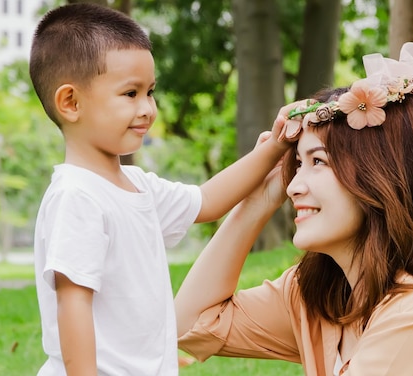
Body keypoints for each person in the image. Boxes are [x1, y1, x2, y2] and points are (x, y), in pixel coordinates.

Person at [175, 42, 413, 375]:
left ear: (384, 177)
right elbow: (188, 325)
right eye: (297, 164)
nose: (295, 186)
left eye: (319, 162)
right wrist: (258, 199)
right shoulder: (322, 294)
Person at [29, 3, 302, 375]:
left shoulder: (138, 186)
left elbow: (207, 201)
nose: (148, 109)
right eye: (130, 94)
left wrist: (273, 149)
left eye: (150, 92)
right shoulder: (77, 196)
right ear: (71, 102)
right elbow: (73, 305)